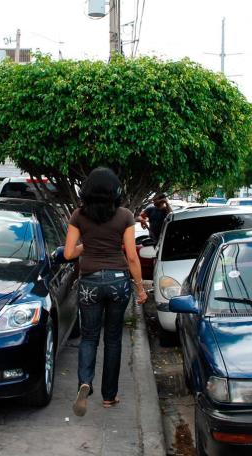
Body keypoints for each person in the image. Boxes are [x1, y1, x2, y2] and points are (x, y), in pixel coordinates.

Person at [64, 167, 147, 417]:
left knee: (89, 337)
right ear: (115, 191)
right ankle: (109, 396)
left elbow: (68, 253)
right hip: (119, 282)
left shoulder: (78, 215)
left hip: (90, 281)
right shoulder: (125, 216)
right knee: (113, 339)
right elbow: (132, 256)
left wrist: (85, 247)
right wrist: (141, 288)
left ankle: (84, 383)